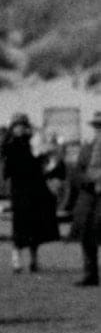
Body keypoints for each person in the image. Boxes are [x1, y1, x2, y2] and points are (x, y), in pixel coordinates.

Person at [0, 114, 57, 274]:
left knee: (34, 225)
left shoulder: (32, 141)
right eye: (17, 126)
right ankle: (16, 259)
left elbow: (44, 162)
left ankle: (33, 259)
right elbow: (9, 166)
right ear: (13, 128)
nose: (20, 129)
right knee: (20, 224)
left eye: (23, 125)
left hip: (34, 188)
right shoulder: (10, 144)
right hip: (20, 189)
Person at [67, 112, 101, 287]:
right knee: (87, 235)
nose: (99, 131)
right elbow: (76, 173)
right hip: (88, 197)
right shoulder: (87, 148)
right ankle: (90, 274)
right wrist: (90, 181)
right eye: (97, 127)